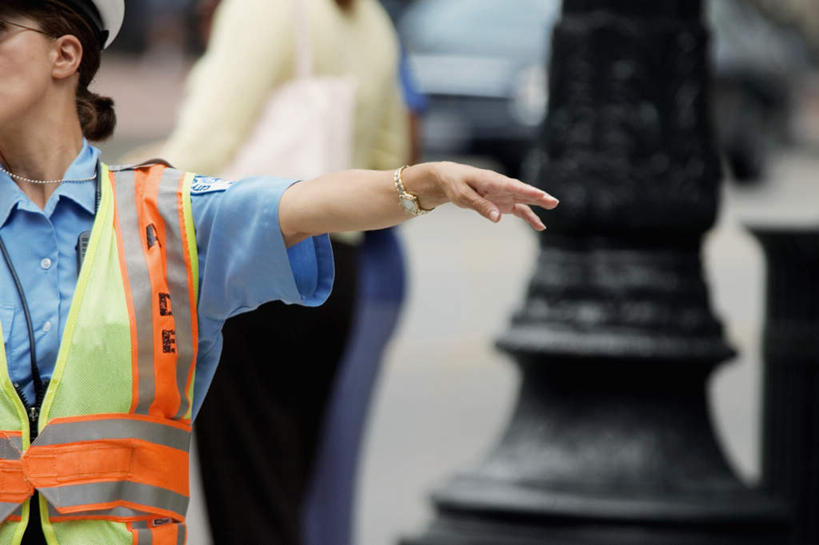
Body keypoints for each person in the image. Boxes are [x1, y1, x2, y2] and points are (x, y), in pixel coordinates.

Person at [0, 2, 558, 545]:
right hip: (347, 272)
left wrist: (425, 183)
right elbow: (385, 141)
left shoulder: (168, 216)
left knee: (262, 501)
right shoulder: (371, 23)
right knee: (286, 496)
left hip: (274, 274)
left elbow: (293, 195)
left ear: (66, 54)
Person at [161, 0, 413, 543]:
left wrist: (131, 191)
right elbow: (390, 153)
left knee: (248, 493)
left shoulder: (264, 8)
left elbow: (204, 145)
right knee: (290, 485)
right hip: (338, 266)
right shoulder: (372, 20)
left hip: (252, 259)